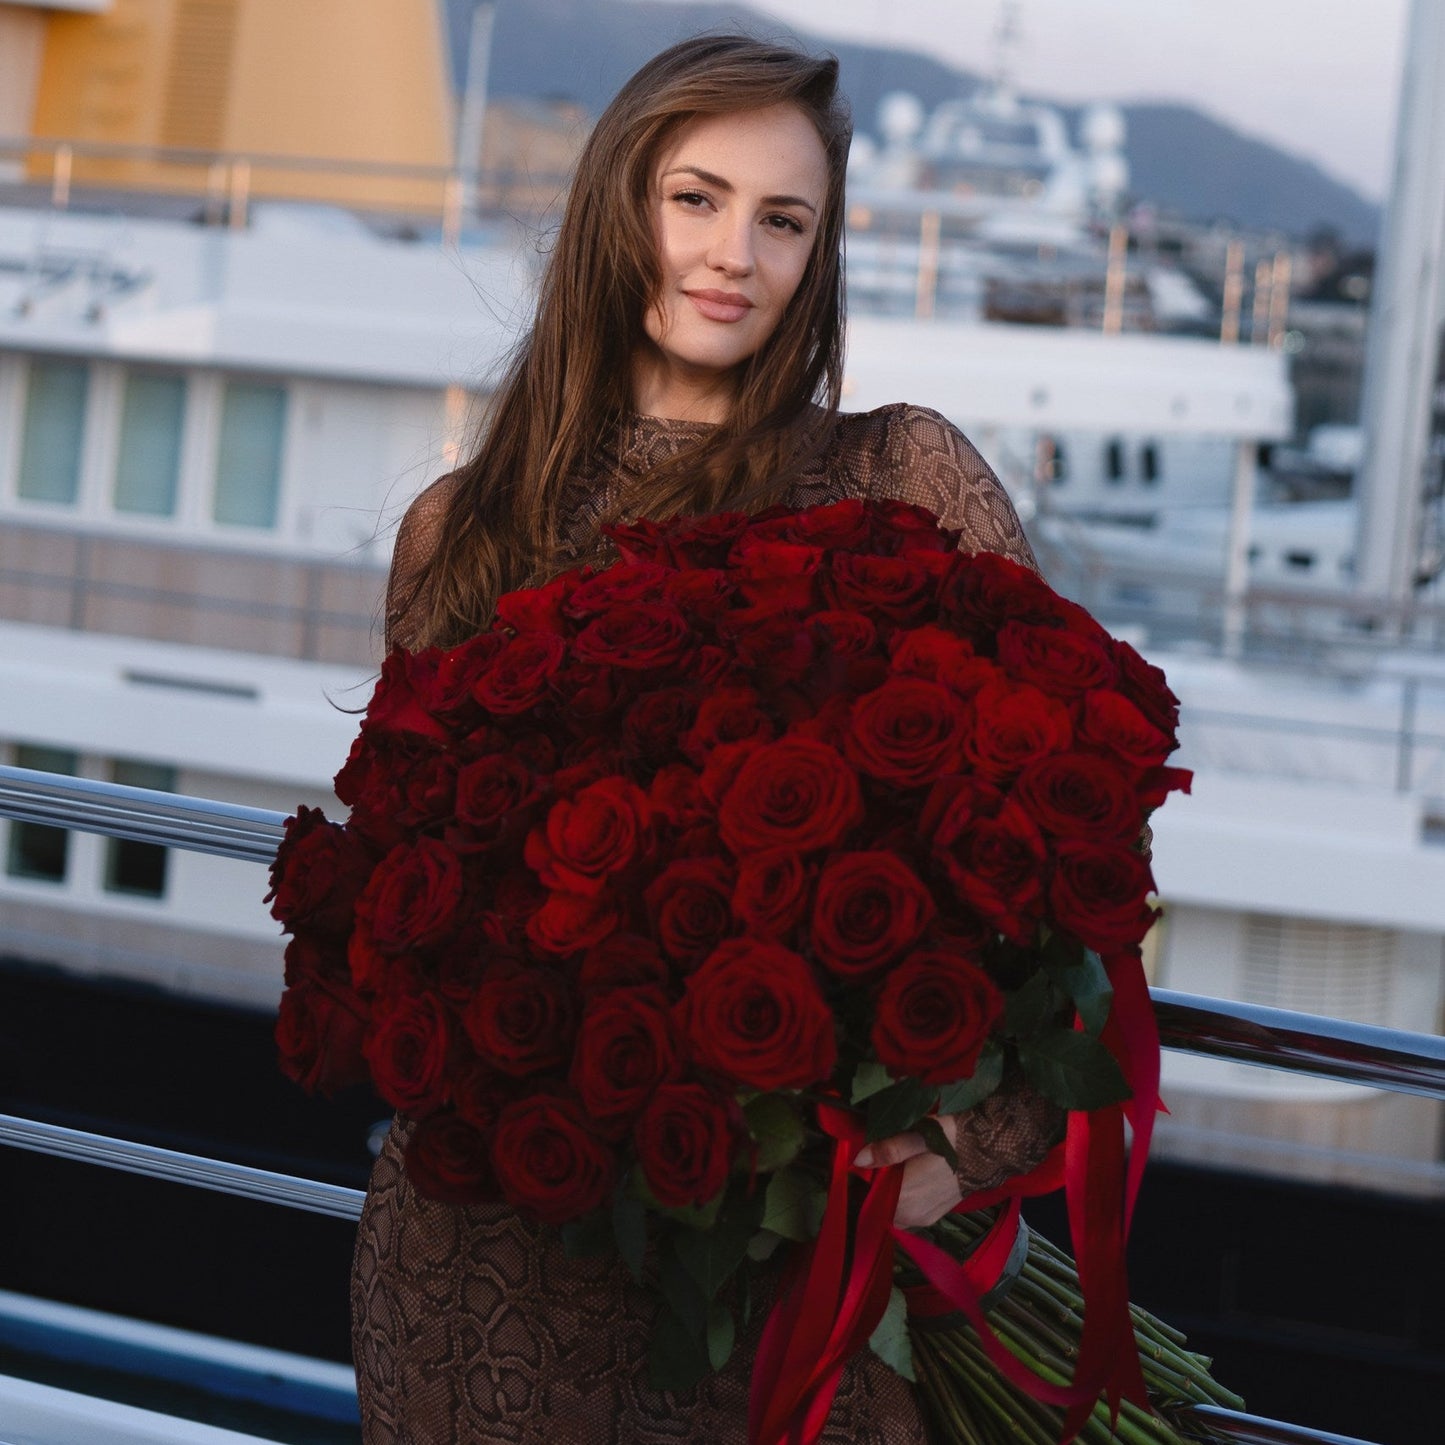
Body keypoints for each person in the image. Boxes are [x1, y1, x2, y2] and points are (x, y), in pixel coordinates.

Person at [353, 33, 1059, 1445]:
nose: (734, 250)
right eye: (697, 197)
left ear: (818, 251)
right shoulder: (461, 529)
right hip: (491, 1261)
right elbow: (406, 902)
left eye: (782, 219)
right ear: (621, 203)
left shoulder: (896, 472)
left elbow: (1061, 851)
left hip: (788, 1269)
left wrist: (954, 1146)